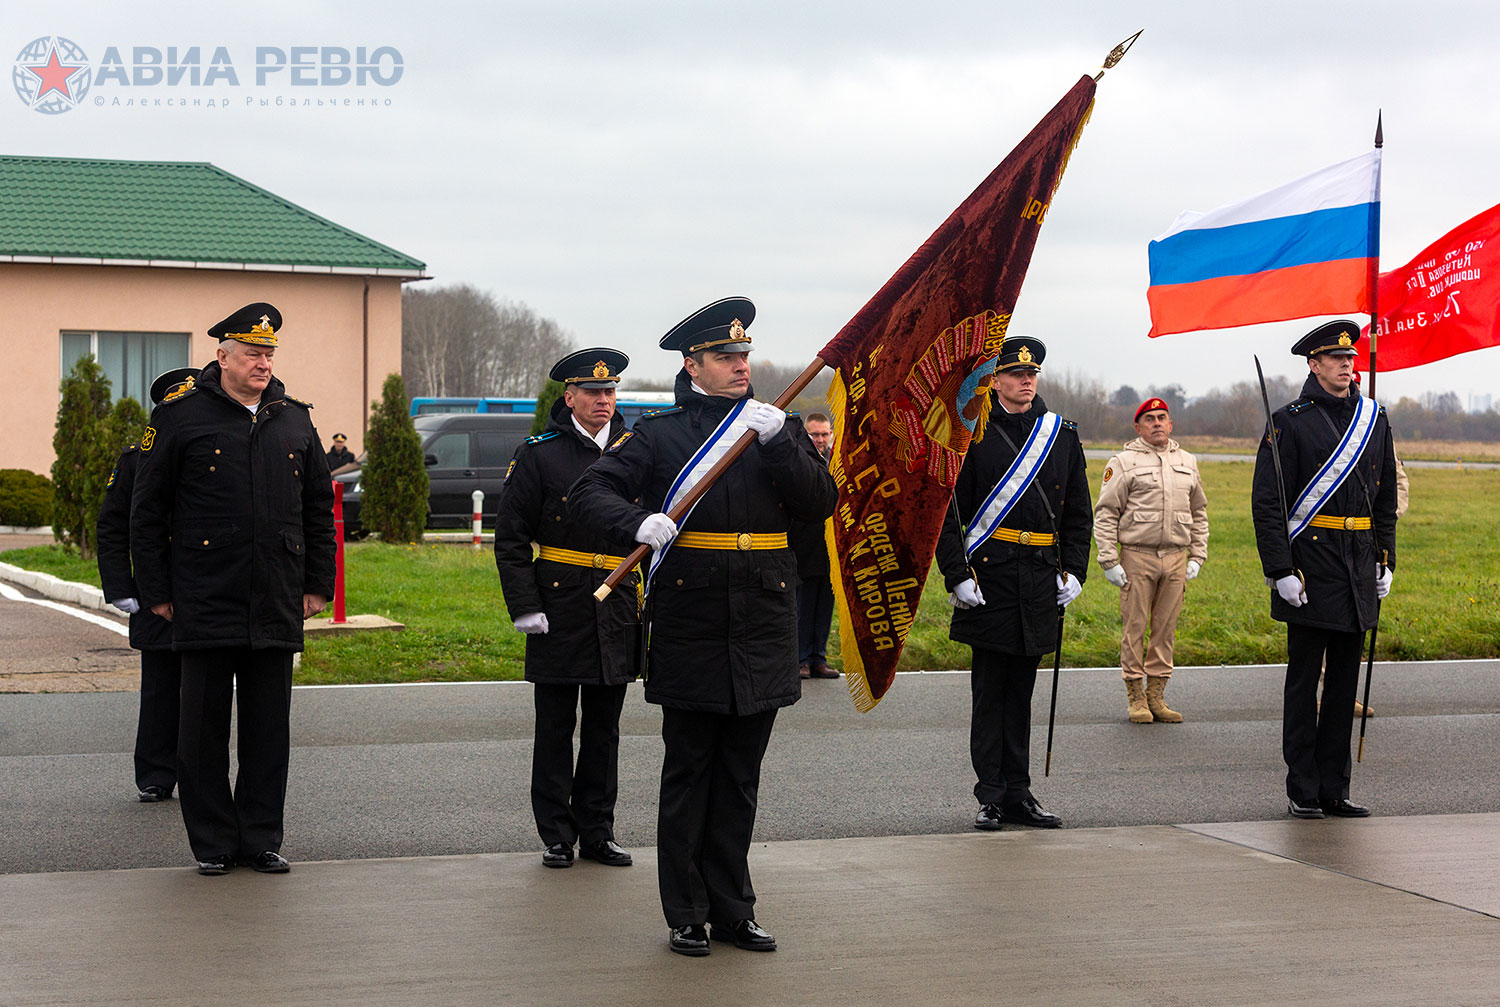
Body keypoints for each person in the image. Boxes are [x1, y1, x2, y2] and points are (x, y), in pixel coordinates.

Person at [568, 297, 837, 957]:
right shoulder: (661, 435)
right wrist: (635, 523)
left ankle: (733, 908)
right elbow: (588, 492)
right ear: (693, 365)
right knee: (690, 769)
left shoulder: (777, 426)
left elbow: (819, 501)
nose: (740, 364)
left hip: (765, 618)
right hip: (693, 618)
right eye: (725, 356)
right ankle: (686, 909)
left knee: (741, 775)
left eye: (745, 354)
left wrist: (781, 447)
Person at [131, 302, 336, 875]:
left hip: (276, 594)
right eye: (251, 353)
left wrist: (318, 583)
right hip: (203, 594)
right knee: (201, 729)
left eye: (268, 353)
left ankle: (261, 837)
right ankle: (214, 843)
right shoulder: (180, 417)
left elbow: (319, 509)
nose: (262, 362)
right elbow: (146, 513)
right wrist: (157, 592)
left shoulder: (294, 419)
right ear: (222, 356)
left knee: (269, 729)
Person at [934, 336, 1091, 831]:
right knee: (991, 690)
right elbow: (946, 511)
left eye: (1033, 374)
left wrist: (1076, 571)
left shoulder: (1060, 434)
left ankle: (1020, 792)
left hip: (1041, 576)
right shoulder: (973, 433)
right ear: (995, 380)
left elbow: (1079, 514)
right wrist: (956, 574)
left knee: (1021, 689)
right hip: (992, 574)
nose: (1027, 381)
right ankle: (991, 794)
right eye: (1016, 374)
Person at [493, 348, 640, 870]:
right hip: (559, 600)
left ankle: (598, 830)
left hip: (618, 599)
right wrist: (524, 605)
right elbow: (510, 537)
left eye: (611, 391)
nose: (604, 400)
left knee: (605, 726)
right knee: (555, 725)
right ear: (570, 397)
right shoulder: (540, 454)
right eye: (593, 392)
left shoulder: (634, 451)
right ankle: (557, 832)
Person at [1252, 320, 1396, 820]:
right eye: (1336, 359)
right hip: (1310, 568)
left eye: (1351, 358)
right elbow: (1268, 503)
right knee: (1304, 680)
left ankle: (1335, 787)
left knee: (1343, 685)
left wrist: (1387, 560)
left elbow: (1385, 501)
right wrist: (1280, 569)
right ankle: (1303, 788)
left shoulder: (1374, 419)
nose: (1347, 364)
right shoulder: (1289, 421)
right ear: (1313, 365)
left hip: (1358, 566)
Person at [96, 366, 200, 802]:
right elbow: (114, 526)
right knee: (161, 687)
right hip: (159, 584)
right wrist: (121, 585)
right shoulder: (137, 458)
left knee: (206, 689)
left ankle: (201, 774)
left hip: (209, 584)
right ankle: (157, 773)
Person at [1093, 397, 1208, 723]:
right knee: (1136, 628)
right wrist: (1109, 560)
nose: (1157, 423)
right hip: (1137, 558)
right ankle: (1135, 696)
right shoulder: (1124, 461)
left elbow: (1199, 512)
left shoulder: (1187, 460)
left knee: (1165, 630)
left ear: (1171, 424)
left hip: (1175, 558)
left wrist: (1197, 555)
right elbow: (1106, 513)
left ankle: (1157, 695)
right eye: (1149, 419)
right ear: (1138, 427)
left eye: (1162, 418)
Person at [790, 412, 838, 680]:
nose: (820, 440)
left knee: (824, 608)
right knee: (803, 608)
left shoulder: (838, 462)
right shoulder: (799, 459)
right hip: (803, 546)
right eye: (814, 435)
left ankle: (819, 657)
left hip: (830, 547)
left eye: (824, 434)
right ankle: (801, 660)